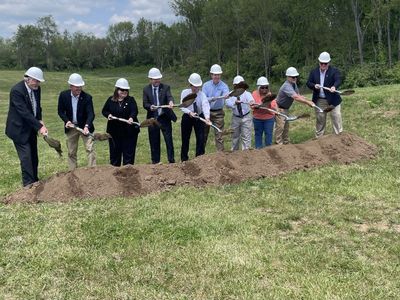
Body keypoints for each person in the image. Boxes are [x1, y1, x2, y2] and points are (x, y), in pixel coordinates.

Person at [5, 67, 48, 186]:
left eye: (39, 81)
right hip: (18, 129)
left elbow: (37, 106)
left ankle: (35, 180)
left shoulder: (36, 89)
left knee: (34, 155)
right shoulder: (17, 91)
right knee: (26, 157)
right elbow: (24, 112)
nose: (37, 84)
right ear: (27, 79)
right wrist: (39, 126)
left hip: (30, 128)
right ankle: (28, 185)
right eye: (35, 81)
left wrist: (40, 119)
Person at [57, 73, 96, 170]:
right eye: (76, 87)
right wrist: (67, 121)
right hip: (71, 127)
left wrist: (87, 126)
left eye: (80, 86)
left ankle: (92, 171)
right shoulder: (63, 95)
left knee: (89, 149)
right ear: (71, 86)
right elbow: (60, 111)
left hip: (84, 127)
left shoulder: (87, 98)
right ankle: (72, 172)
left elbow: (91, 113)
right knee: (71, 151)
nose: (79, 88)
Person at [102, 78, 140, 166]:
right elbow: (104, 111)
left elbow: (134, 111)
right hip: (114, 132)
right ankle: (115, 171)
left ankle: (128, 171)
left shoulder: (131, 100)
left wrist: (131, 118)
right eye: (122, 90)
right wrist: (108, 115)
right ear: (117, 90)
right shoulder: (110, 100)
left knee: (128, 153)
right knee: (115, 153)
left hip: (129, 132)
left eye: (126, 90)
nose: (124, 92)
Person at [143, 67, 177, 164]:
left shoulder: (165, 87)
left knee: (168, 140)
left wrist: (171, 102)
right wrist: (150, 107)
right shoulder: (146, 89)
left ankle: (171, 161)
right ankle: (155, 162)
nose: (157, 80)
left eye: (158, 78)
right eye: (155, 79)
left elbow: (169, 96)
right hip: (152, 119)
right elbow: (145, 103)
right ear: (150, 79)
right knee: (154, 141)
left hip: (164, 117)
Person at [306, 51, 343, 138]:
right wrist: (314, 86)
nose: (323, 65)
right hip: (320, 100)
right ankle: (319, 138)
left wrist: (334, 86)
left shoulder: (334, 71)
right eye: (321, 63)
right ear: (319, 62)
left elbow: (338, 80)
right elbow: (308, 83)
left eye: (325, 64)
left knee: (336, 117)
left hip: (333, 100)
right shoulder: (314, 72)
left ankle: (339, 137)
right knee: (320, 119)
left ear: (329, 63)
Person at [275, 67, 315, 145]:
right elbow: (295, 97)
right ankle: (278, 144)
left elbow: (298, 95)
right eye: (293, 77)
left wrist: (309, 101)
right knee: (280, 127)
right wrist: (307, 102)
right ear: (288, 77)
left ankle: (286, 143)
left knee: (286, 127)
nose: (295, 78)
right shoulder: (286, 86)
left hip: (286, 108)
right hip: (279, 108)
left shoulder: (294, 84)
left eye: (296, 76)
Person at [180, 73, 211, 161]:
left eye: (198, 87)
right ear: (190, 85)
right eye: (194, 86)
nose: (196, 88)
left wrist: (207, 118)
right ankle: (184, 159)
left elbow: (205, 105)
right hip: (187, 117)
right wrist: (189, 112)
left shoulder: (202, 95)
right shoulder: (184, 92)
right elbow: (182, 106)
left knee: (201, 138)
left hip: (199, 116)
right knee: (185, 139)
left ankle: (199, 159)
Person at [202, 64, 229, 151]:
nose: (216, 76)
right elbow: (204, 99)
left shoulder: (224, 86)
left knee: (219, 134)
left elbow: (227, 94)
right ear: (211, 75)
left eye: (218, 75)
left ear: (220, 75)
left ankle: (220, 155)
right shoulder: (206, 85)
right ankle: (200, 155)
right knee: (203, 134)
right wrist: (212, 99)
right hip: (207, 112)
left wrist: (226, 96)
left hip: (218, 113)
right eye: (214, 74)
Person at [226, 75, 254, 151]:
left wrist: (251, 103)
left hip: (246, 117)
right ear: (234, 85)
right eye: (236, 85)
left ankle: (246, 153)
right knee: (235, 137)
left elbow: (251, 100)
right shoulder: (231, 94)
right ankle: (235, 154)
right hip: (236, 118)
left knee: (246, 137)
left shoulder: (247, 93)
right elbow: (227, 103)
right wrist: (234, 102)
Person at [251, 76, 277, 148]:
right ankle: (258, 151)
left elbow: (274, 108)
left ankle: (269, 150)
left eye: (266, 87)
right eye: (262, 87)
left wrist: (268, 104)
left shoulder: (270, 95)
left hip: (268, 119)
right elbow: (251, 105)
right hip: (257, 118)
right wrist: (256, 106)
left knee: (268, 135)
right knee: (258, 135)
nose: (264, 89)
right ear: (258, 87)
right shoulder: (254, 94)